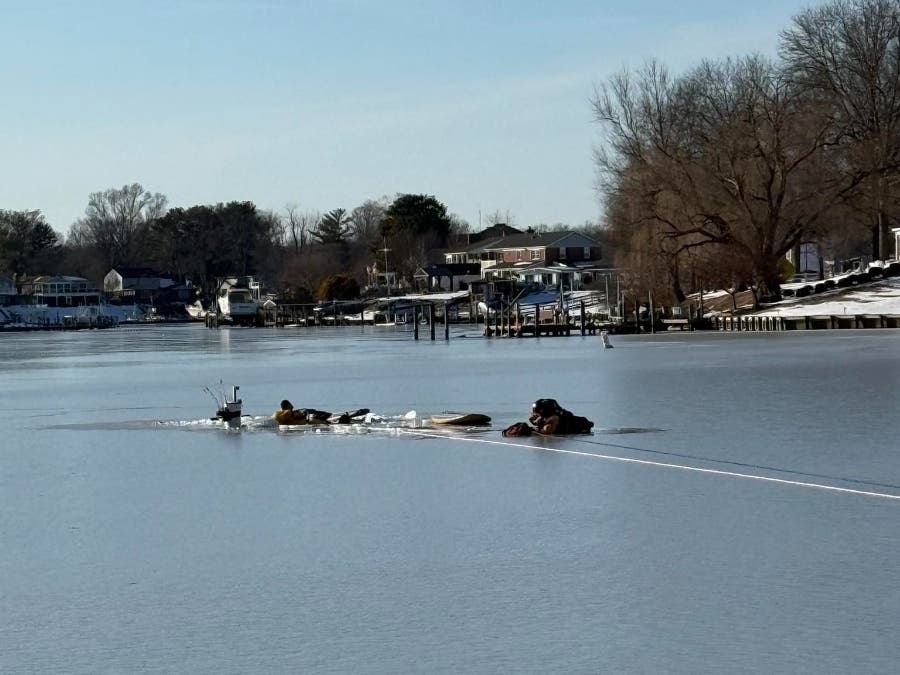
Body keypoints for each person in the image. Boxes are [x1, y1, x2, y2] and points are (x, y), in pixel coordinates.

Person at [528, 398, 594, 435]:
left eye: (537, 413)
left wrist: (536, 427)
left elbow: (552, 422)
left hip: (576, 425)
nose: (534, 415)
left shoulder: (554, 417)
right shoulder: (544, 412)